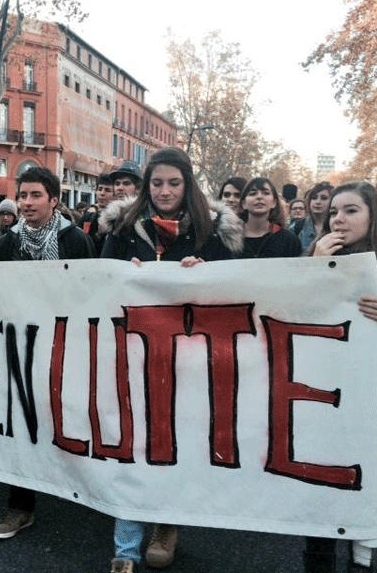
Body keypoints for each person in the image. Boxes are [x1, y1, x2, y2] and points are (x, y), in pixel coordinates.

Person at [99, 147, 243, 571]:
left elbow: (235, 289)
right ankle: (124, 548)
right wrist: (127, 273)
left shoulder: (213, 232)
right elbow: (100, 280)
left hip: (191, 358)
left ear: (188, 185)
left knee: (174, 441)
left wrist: (206, 273)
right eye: (157, 183)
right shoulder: (125, 226)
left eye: (173, 183)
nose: (164, 191)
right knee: (133, 441)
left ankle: (166, 522)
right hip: (133, 352)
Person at [0, 166, 94, 540]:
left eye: (35, 196)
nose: (26, 203)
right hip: (19, 344)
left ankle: (84, 486)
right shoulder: (7, 243)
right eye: (23, 195)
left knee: (67, 416)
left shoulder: (75, 240)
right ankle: (20, 507)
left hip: (64, 344)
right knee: (20, 422)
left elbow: (90, 292)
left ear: (54, 200)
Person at [303, 182, 377, 572]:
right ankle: (317, 559)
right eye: (334, 212)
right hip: (325, 392)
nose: (339, 219)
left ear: (374, 214)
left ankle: (361, 560)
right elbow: (288, 312)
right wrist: (311, 267)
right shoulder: (316, 256)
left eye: (351, 211)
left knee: (363, 484)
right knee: (320, 482)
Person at [238, 177, 302, 258]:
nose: (259, 197)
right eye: (253, 194)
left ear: (274, 203)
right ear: (243, 204)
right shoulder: (228, 238)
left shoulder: (289, 240)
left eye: (266, 193)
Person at [79, 173, 114, 255]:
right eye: (100, 189)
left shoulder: (118, 219)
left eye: (107, 190)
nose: (102, 193)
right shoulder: (88, 216)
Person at [291, 181, 333, 251]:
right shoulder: (297, 227)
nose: (318, 202)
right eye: (314, 198)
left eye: (324, 198)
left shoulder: (338, 226)